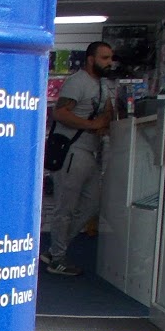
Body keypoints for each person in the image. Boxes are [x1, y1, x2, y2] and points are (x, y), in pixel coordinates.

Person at [42, 40, 117, 278]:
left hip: (88, 152)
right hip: (72, 151)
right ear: (91, 59)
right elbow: (60, 112)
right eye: (104, 58)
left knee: (91, 205)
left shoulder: (103, 85)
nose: (109, 62)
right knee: (66, 207)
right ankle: (58, 257)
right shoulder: (78, 82)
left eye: (110, 58)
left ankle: (56, 249)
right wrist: (91, 124)